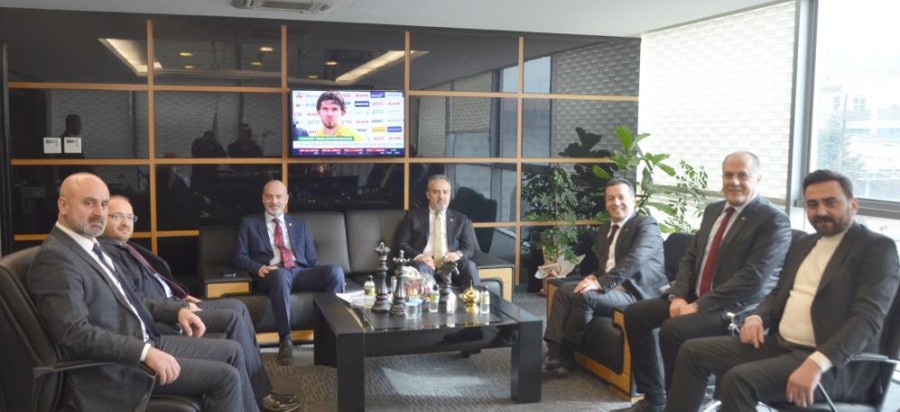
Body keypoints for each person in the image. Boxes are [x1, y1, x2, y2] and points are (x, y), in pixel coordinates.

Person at [666, 169, 900, 412]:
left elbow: (868, 319)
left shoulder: (876, 248)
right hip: (781, 346)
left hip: (836, 365)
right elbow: (778, 293)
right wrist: (757, 317)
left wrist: (817, 363)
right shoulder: (804, 243)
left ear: (852, 205)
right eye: (812, 204)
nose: (821, 211)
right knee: (692, 352)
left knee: (739, 380)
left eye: (831, 202)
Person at [26, 173, 258, 411]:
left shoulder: (91, 246)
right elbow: (74, 334)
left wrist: (177, 311)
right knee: (225, 377)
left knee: (233, 351)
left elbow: (132, 299)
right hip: (116, 367)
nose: (98, 212)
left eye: (103, 204)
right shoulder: (56, 259)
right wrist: (144, 352)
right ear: (63, 205)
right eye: (88, 203)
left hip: (145, 341)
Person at [613, 151, 792, 412]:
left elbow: (753, 278)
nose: (734, 181)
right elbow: (691, 256)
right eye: (728, 175)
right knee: (636, 313)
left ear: (758, 178)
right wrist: (678, 295)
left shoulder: (772, 219)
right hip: (694, 298)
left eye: (742, 175)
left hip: (734, 307)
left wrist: (698, 306)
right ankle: (654, 399)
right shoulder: (713, 210)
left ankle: (678, 404)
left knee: (674, 329)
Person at [99, 195, 300, 412]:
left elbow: (154, 283)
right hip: (164, 315)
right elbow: (134, 300)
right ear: (102, 218)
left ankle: (259, 391)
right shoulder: (109, 253)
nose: (126, 223)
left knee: (238, 307)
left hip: (173, 301)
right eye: (117, 217)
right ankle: (260, 397)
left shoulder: (126, 247)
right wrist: (177, 308)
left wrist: (180, 296)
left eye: (130, 217)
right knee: (233, 317)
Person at [543, 178, 668, 375]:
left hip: (635, 294)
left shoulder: (646, 225)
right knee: (564, 292)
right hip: (611, 288)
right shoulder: (605, 229)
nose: (616, 203)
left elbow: (634, 260)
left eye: (621, 197)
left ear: (633, 200)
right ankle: (554, 351)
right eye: (611, 198)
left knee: (586, 296)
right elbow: (604, 265)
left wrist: (600, 284)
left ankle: (565, 355)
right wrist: (593, 277)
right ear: (606, 202)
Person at [234, 179, 346, 365]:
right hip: (272, 273)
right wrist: (258, 268)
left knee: (335, 271)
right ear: (263, 199)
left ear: (286, 199)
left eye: (279, 197)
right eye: (269, 197)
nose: (274, 201)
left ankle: (334, 336)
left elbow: (312, 258)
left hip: (300, 272)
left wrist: (317, 273)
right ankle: (285, 340)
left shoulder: (300, 223)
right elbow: (239, 256)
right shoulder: (249, 223)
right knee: (281, 274)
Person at [396, 174, 480, 288]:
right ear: (428, 195)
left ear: (450, 195)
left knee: (469, 266)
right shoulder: (413, 216)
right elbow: (402, 243)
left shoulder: (461, 219)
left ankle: (475, 297)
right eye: (436, 192)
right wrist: (419, 256)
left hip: (451, 264)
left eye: (445, 192)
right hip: (425, 263)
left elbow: (469, 248)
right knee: (421, 268)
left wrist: (457, 254)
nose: (441, 197)